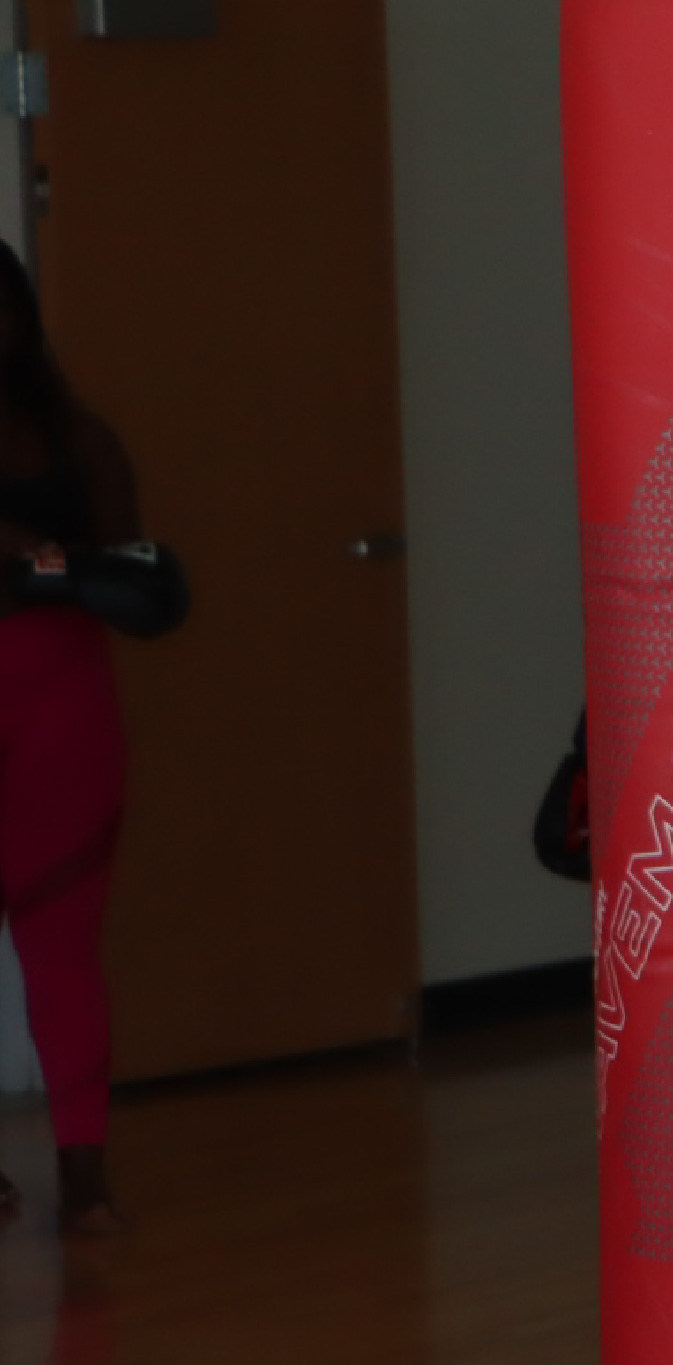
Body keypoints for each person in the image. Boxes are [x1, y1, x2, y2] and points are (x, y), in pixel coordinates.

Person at [0, 242, 141, 1238]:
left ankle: (84, 1177)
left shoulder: (80, 439)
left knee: (61, 946)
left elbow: (138, 577)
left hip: (62, 712)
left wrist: (62, 565)